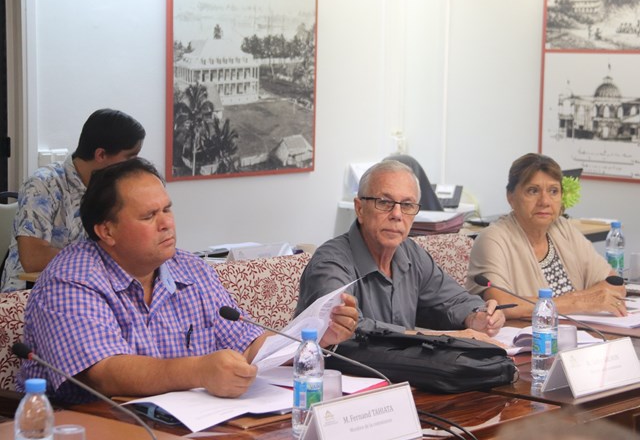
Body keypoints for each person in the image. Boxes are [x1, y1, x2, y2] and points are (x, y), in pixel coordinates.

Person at [17, 158, 358, 404]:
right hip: (100, 425)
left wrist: (312, 339)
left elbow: (249, 345)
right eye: (149, 216)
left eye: (167, 209)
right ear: (107, 231)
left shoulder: (190, 269)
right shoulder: (70, 279)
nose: (166, 223)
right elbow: (105, 373)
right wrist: (199, 371)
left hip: (188, 424)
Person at [295, 160, 505, 338]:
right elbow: (344, 329)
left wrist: (477, 316)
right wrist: (445, 338)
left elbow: (456, 300)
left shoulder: (411, 253)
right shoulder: (331, 262)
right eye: (384, 202)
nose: (397, 214)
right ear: (360, 209)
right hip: (336, 373)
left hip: (404, 370)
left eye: (407, 205)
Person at [1, 108, 146, 292]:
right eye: (130, 157)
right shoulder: (42, 184)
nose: (133, 165)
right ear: (101, 155)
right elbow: (32, 258)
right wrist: (100, 259)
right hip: (31, 292)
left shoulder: (111, 189)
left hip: (86, 287)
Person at [466, 153, 625, 319]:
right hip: (526, 334)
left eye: (553, 191)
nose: (545, 201)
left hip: (580, 331)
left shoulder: (563, 228)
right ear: (510, 197)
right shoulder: (493, 239)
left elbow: (615, 284)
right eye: (533, 191)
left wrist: (591, 299)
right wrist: (580, 302)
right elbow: (501, 304)